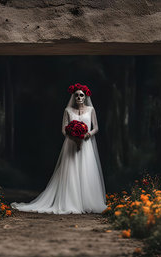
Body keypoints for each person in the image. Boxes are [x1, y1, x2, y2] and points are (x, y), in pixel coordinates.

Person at [11, 83, 107, 214]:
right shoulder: (67, 111)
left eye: (81, 95)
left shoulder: (91, 110)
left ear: (85, 97)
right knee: (71, 170)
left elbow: (96, 127)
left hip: (86, 144)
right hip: (71, 144)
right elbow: (63, 129)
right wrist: (73, 137)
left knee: (86, 170)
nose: (79, 98)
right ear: (74, 97)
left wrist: (87, 134)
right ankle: (71, 201)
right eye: (77, 95)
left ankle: (87, 202)